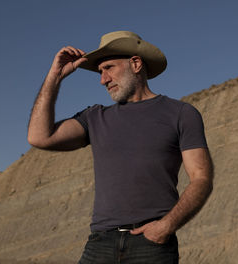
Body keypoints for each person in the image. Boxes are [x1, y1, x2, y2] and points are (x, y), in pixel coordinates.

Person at [28, 31, 213, 264]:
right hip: (100, 245)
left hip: (152, 246)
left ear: (135, 63)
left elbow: (201, 178)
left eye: (109, 68)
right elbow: (38, 137)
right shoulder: (94, 117)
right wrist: (55, 76)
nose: (103, 79)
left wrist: (166, 226)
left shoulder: (181, 114)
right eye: (100, 72)